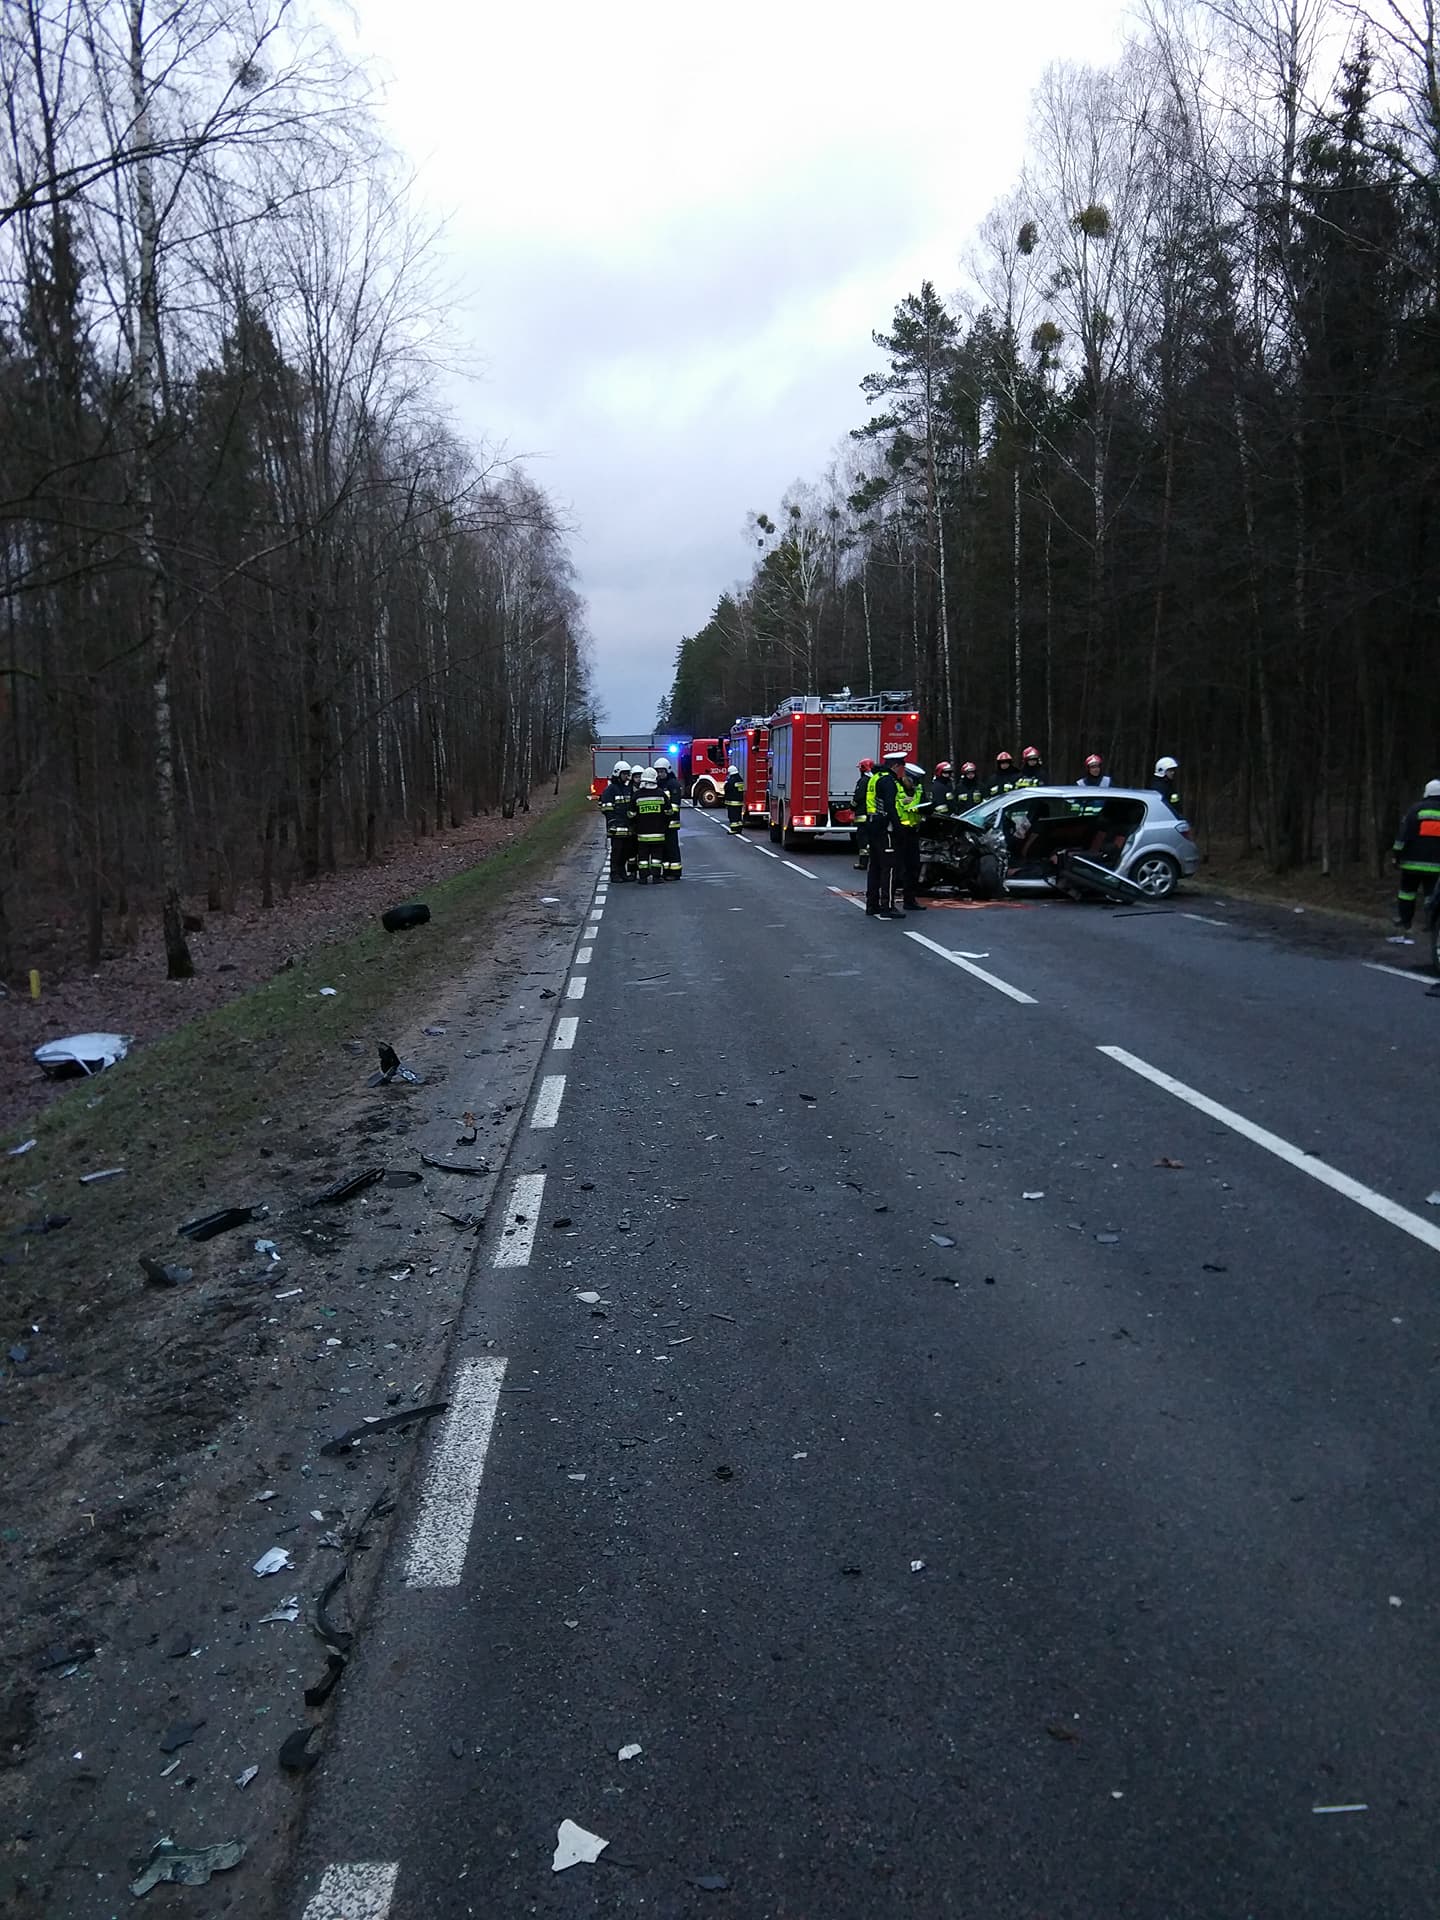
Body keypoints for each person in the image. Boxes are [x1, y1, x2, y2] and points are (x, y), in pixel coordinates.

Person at [1388, 778, 1440, 944]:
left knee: (1407, 893)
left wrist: (1396, 854)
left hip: (1411, 864)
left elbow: (1404, 835)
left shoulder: (1415, 810)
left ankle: (1405, 921)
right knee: (1432, 896)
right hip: (1436, 866)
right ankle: (1431, 925)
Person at [864, 751, 906, 918]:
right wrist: (898, 827)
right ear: (895, 766)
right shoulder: (888, 781)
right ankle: (887, 906)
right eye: (902, 766)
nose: (903, 770)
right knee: (888, 868)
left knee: (874, 867)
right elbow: (890, 806)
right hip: (885, 828)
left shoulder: (875, 778)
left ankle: (872, 904)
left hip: (873, 826)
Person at [896, 762, 928, 909]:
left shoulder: (919, 789)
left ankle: (910, 900)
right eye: (911, 782)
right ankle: (889, 901)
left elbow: (925, 804)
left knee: (913, 867)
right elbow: (895, 807)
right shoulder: (896, 788)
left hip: (913, 831)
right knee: (897, 867)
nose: (913, 785)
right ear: (906, 777)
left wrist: (927, 808)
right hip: (899, 831)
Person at [632, 769, 669, 884]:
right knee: (657, 857)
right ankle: (656, 877)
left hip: (642, 834)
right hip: (658, 833)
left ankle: (643, 878)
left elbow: (631, 814)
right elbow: (669, 812)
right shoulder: (661, 794)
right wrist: (664, 824)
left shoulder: (637, 795)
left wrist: (635, 825)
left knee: (643, 857)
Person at [601, 760, 634, 882]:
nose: (626, 776)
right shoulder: (611, 790)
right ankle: (614, 874)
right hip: (616, 828)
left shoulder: (626, 789)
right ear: (618, 774)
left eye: (627, 774)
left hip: (626, 828)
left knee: (625, 852)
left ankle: (622, 872)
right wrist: (612, 823)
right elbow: (606, 808)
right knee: (617, 852)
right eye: (624, 774)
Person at [653, 758, 683, 878]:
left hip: (671, 822)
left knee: (672, 848)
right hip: (661, 822)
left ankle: (675, 872)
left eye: (662, 771)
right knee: (664, 848)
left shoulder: (673, 784)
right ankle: (666, 872)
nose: (660, 774)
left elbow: (675, 806)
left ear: (668, 770)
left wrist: (665, 813)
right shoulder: (658, 784)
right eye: (658, 772)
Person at [852, 758, 875, 869]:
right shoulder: (875, 780)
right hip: (873, 815)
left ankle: (863, 863)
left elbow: (858, 797)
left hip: (862, 815)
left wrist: (852, 806)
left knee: (863, 840)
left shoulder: (863, 781)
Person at [722, 762, 745, 834]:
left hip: (732, 802)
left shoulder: (731, 780)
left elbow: (726, 788)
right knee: (738, 817)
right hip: (739, 801)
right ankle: (739, 829)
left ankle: (734, 829)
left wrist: (726, 782)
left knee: (733, 817)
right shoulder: (740, 779)